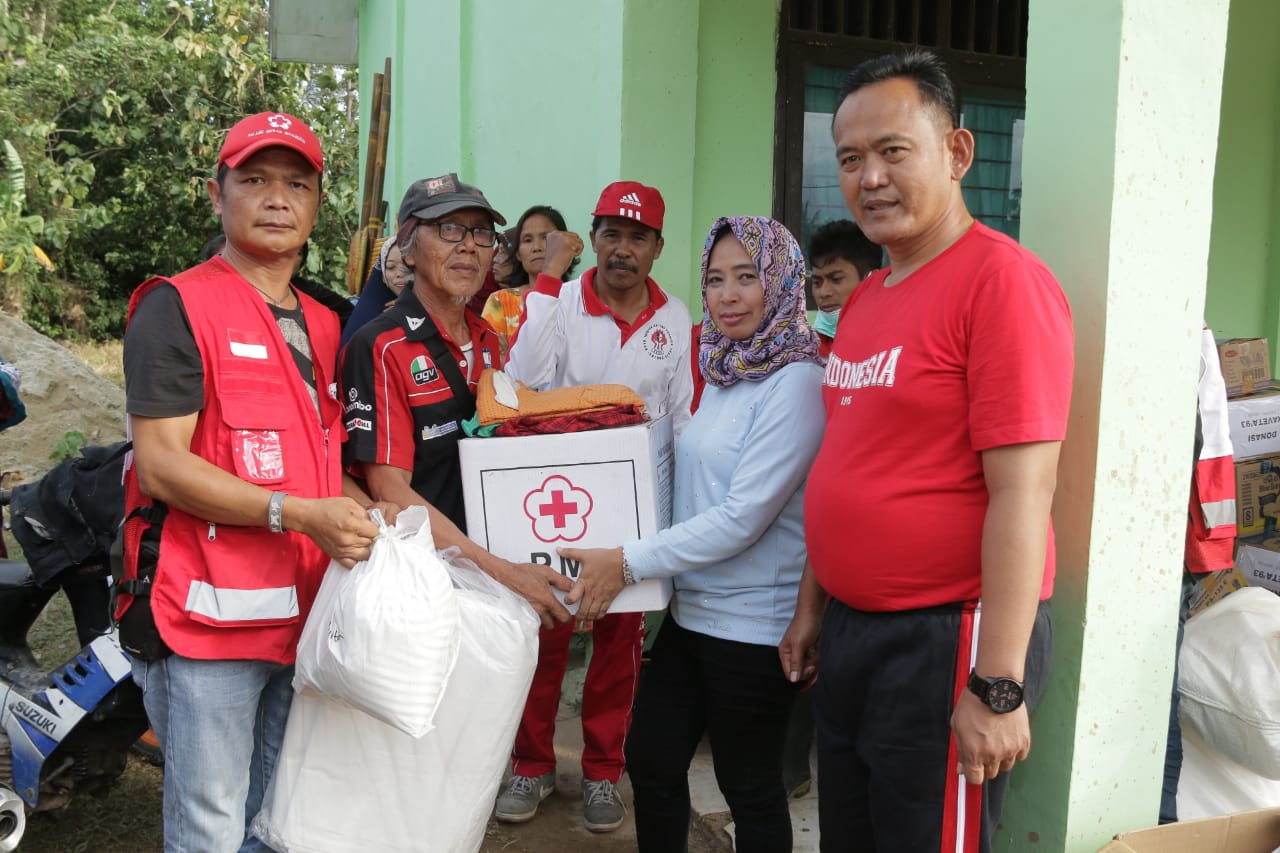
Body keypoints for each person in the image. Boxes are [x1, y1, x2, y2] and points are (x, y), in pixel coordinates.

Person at [782, 49, 1074, 852]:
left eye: (893, 150)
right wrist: (814, 606)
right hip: (854, 630)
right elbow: (849, 462)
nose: (869, 177)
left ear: (957, 152)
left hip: (947, 637)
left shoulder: (1001, 283)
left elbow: (1025, 492)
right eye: (850, 159)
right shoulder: (868, 298)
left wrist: (999, 682)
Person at [117, 111, 394, 853]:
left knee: (276, 819)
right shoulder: (177, 306)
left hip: (306, 617)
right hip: (207, 621)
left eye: (296, 184)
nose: (277, 199)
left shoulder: (327, 323)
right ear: (218, 195)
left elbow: (325, 461)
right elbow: (162, 464)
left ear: (316, 206)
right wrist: (297, 514)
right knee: (210, 825)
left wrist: (388, 528)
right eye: (255, 180)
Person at [563, 215, 824, 852]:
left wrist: (626, 561)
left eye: (747, 277)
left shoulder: (796, 381)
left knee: (748, 785)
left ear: (781, 282)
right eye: (715, 279)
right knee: (652, 758)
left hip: (753, 626)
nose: (727, 295)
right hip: (694, 612)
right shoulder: (731, 370)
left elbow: (742, 517)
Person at [497, 181, 694, 832]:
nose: (622, 249)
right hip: (557, 501)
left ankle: (604, 772)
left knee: (619, 644)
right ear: (594, 239)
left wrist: (674, 514)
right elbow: (524, 376)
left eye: (638, 237)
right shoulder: (559, 301)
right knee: (546, 634)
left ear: (657, 247)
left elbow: (681, 417)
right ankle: (532, 763)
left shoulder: (673, 317)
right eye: (611, 234)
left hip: (633, 509)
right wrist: (549, 276)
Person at [339, 173, 572, 630]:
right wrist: (501, 572)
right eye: (448, 229)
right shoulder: (382, 345)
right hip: (419, 589)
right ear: (408, 249)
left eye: (481, 233)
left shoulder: (487, 339)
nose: (468, 245)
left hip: (484, 582)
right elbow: (390, 490)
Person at [481, 205, 581, 357]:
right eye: (527, 240)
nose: (536, 247)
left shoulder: (579, 300)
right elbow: (490, 359)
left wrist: (511, 354)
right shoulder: (501, 302)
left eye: (546, 238)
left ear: (564, 245)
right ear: (518, 254)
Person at [807, 219, 881, 359]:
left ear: (871, 280)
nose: (824, 293)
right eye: (817, 282)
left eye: (836, 279)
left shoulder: (893, 344)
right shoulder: (807, 348)